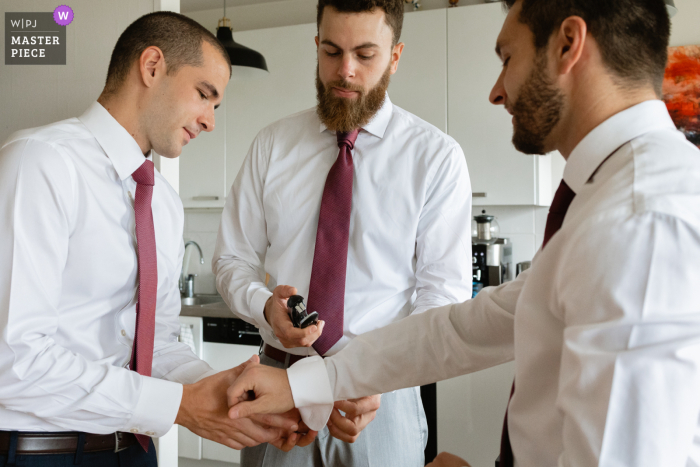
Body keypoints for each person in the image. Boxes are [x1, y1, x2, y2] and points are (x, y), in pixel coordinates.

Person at [225, 0, 700, 466]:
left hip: (380, 408)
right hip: (294, 379)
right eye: (331, 51)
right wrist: (312, 384)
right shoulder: (612, 195)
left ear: (568, 46)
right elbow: (465, 329)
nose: (496, 91)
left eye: (507, 58)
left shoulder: (643, 217)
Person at [0, 12, 301, 467]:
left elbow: (155, 344)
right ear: (152, 65)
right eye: (205, 95)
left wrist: (225, 392)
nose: (210, 121)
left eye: (216, 107)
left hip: (136, 451)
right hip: (45, 453)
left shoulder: (163, 202)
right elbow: (13, 361)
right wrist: (178, 405)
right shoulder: (40, 163)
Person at [212, 0, 473, 465]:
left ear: (395, 56)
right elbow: (232, 260)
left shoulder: (436, 158)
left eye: (365, 55)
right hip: (279, 387)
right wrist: (265, 307)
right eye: (331, 52)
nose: (345, 71)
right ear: (316, 46)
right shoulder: (272, 145)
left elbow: (442, 296)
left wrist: (382, 377)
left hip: (379, 396)